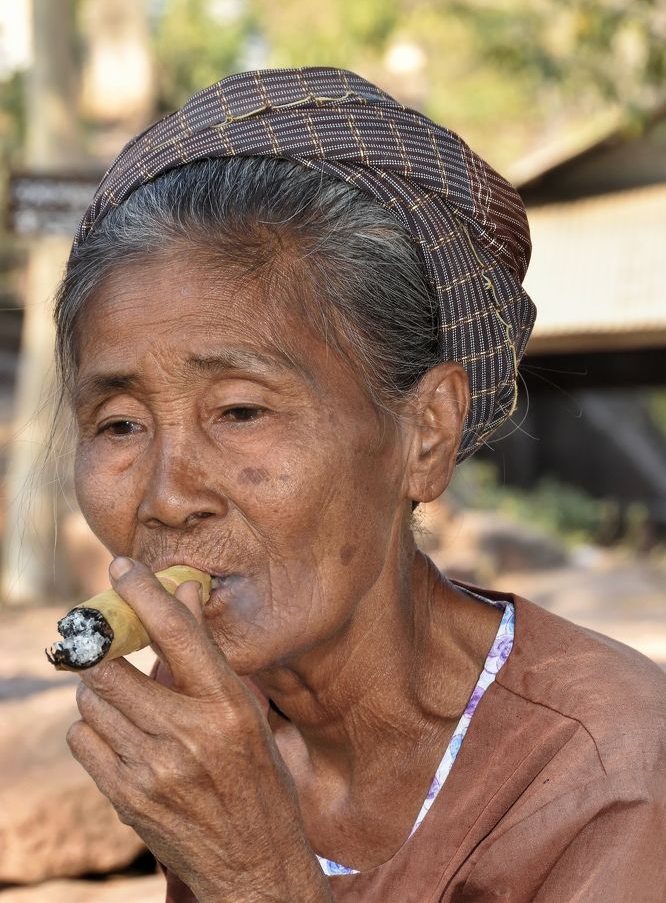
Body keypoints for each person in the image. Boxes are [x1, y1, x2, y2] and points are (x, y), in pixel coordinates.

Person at [57, 68, 666, 902]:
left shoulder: (614, 777)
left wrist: (257, 876)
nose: (167, 497)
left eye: (239, 411)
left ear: (425, 432)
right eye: (120, 424)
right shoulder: (211, 718)